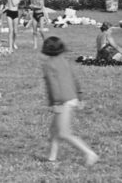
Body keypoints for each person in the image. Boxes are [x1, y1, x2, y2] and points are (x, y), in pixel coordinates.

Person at [41, 36, 98, 166]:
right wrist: (80, 97)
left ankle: (89, 153)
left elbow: (53, 85)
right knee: (54, 129)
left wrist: (55, 103)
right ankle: (51, 158)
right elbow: (74, 79)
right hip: (71, 97)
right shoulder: (64, 61)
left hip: (62, 101)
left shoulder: (48, 65)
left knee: (64, 133)